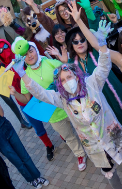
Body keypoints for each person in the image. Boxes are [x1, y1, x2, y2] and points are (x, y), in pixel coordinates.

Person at [14, 26, 122, 189]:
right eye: (63, 80)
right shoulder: (61, 99)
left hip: (114, 134)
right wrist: (23, 75)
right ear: (60, 84)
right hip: (93, 145)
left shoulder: (91, 83)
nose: (68, 81)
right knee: (109, 172)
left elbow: (103, 66)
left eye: (70, 76)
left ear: (76, 75)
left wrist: (101, 45)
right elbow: (40, 93)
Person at [10, 41, 88, 171]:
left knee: (83, 128)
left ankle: (92, 147)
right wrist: (15, 94)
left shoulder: (49, 62)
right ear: (22, 59)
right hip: (52, 115)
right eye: (25, 55)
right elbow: (26, 99)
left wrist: (64, 61)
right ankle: (80, 154)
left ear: (35, 50)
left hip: (68, 107)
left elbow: (70, 74)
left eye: (31, 51)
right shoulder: (25, 76)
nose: (29, 55)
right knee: (68, 137)